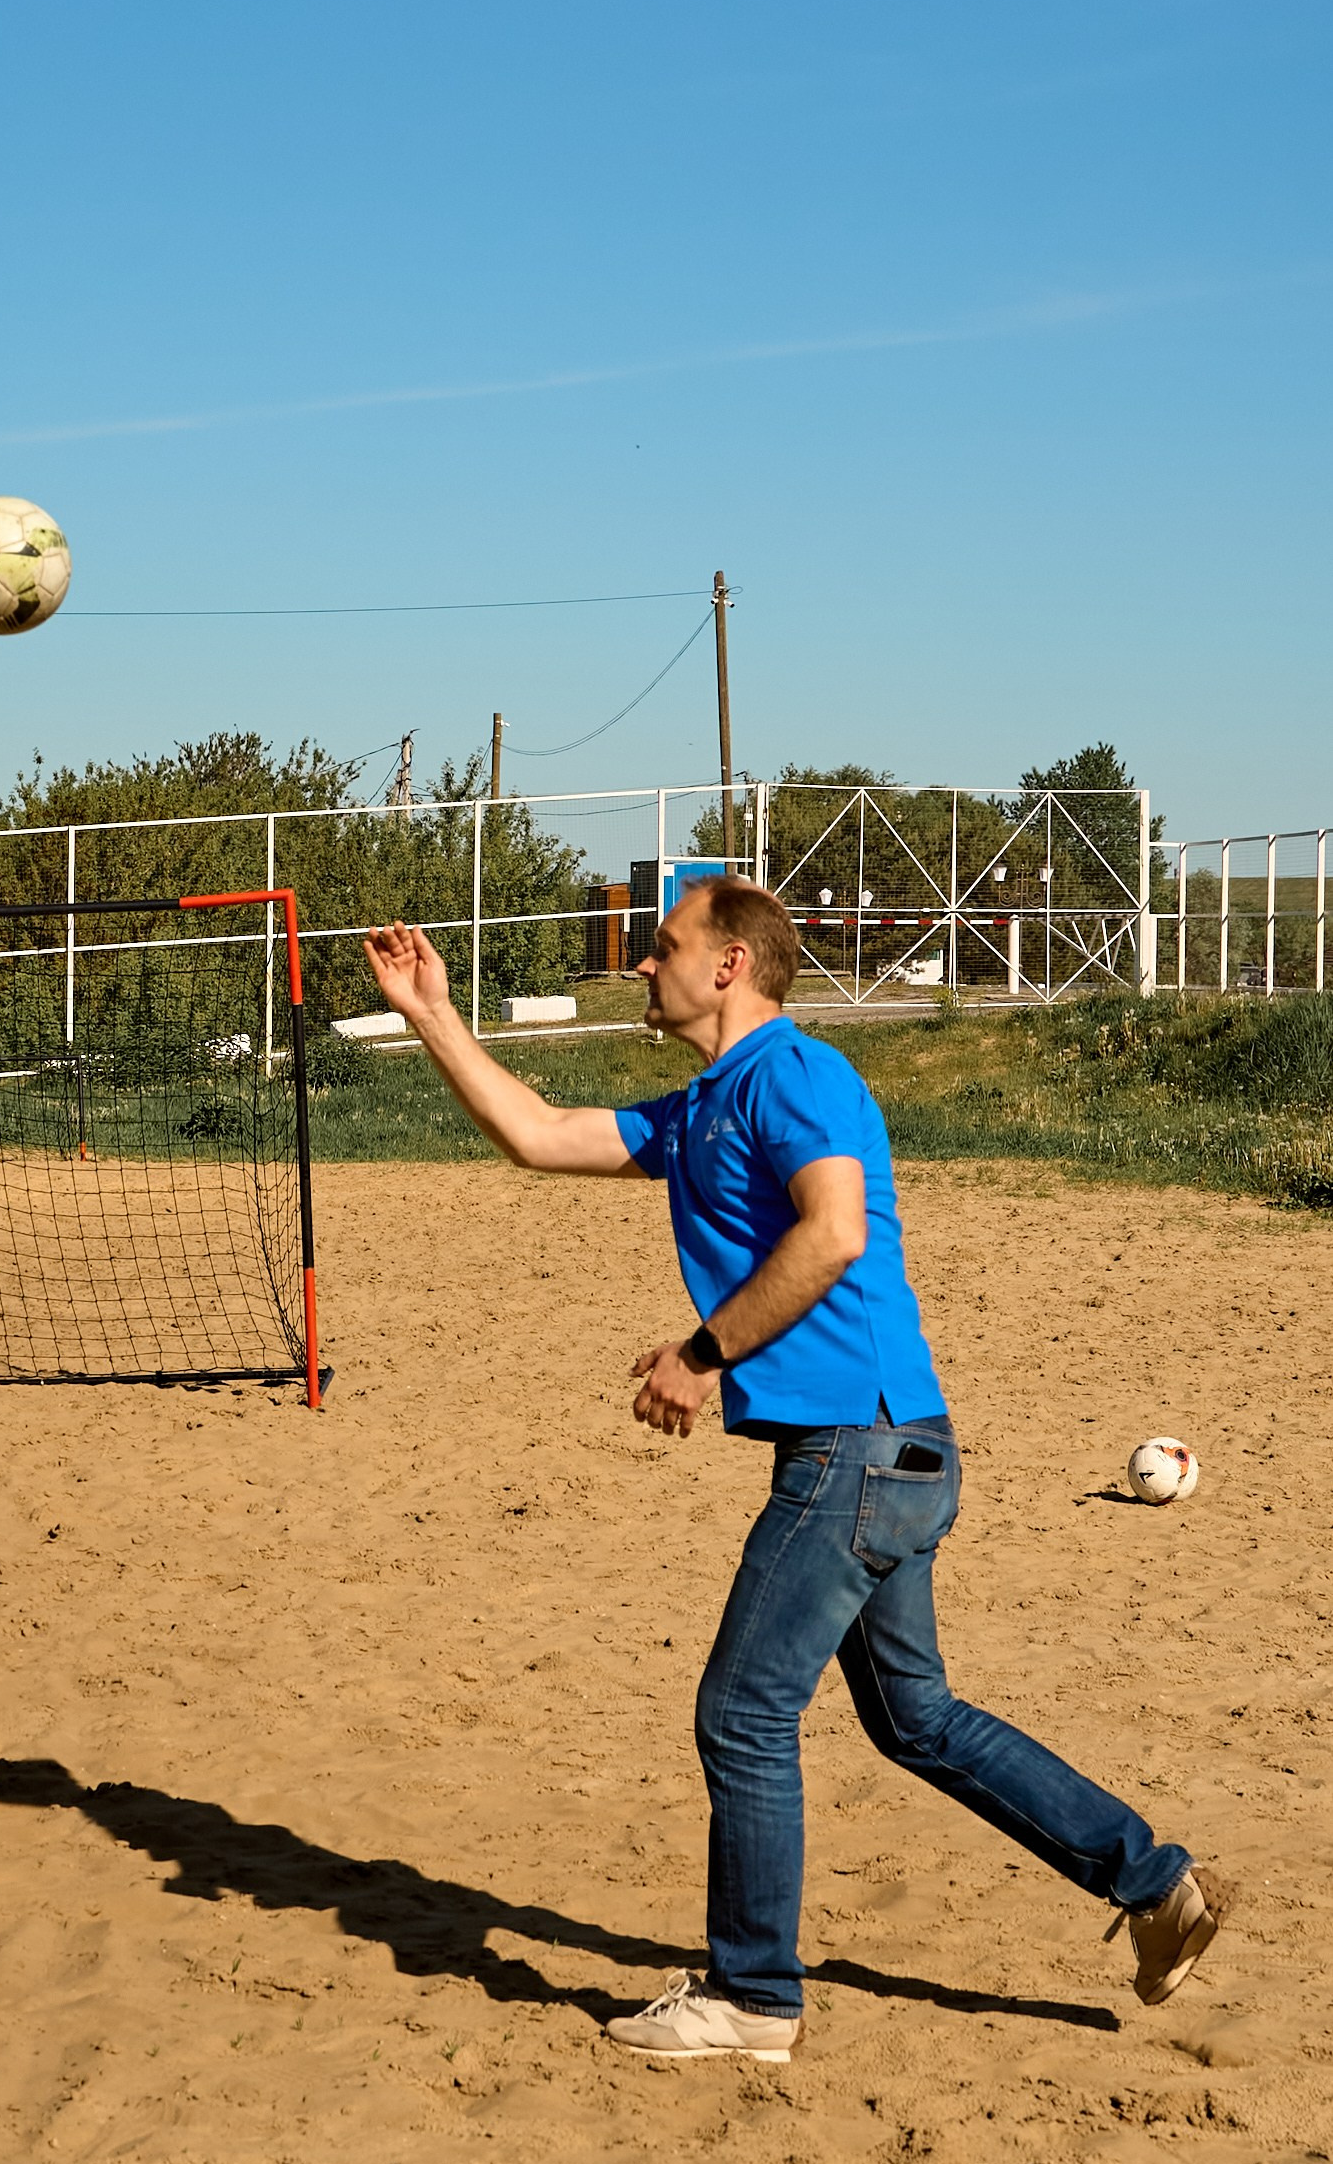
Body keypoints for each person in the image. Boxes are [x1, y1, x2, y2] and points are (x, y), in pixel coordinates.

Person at [360, 878, 1221, 2065]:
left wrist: (704, 1353)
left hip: (858, 1453)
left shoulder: (796, 1076)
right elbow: (537, 1133)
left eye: (664, 948)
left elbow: (835, 1230)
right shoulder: (701, 1106)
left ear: (730, 966)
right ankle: (1154, 1882)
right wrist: (429, 1013)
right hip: (889, 1454)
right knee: (918, 1720)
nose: (644, 967)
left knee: (742, 1710)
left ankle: (754, 1993)